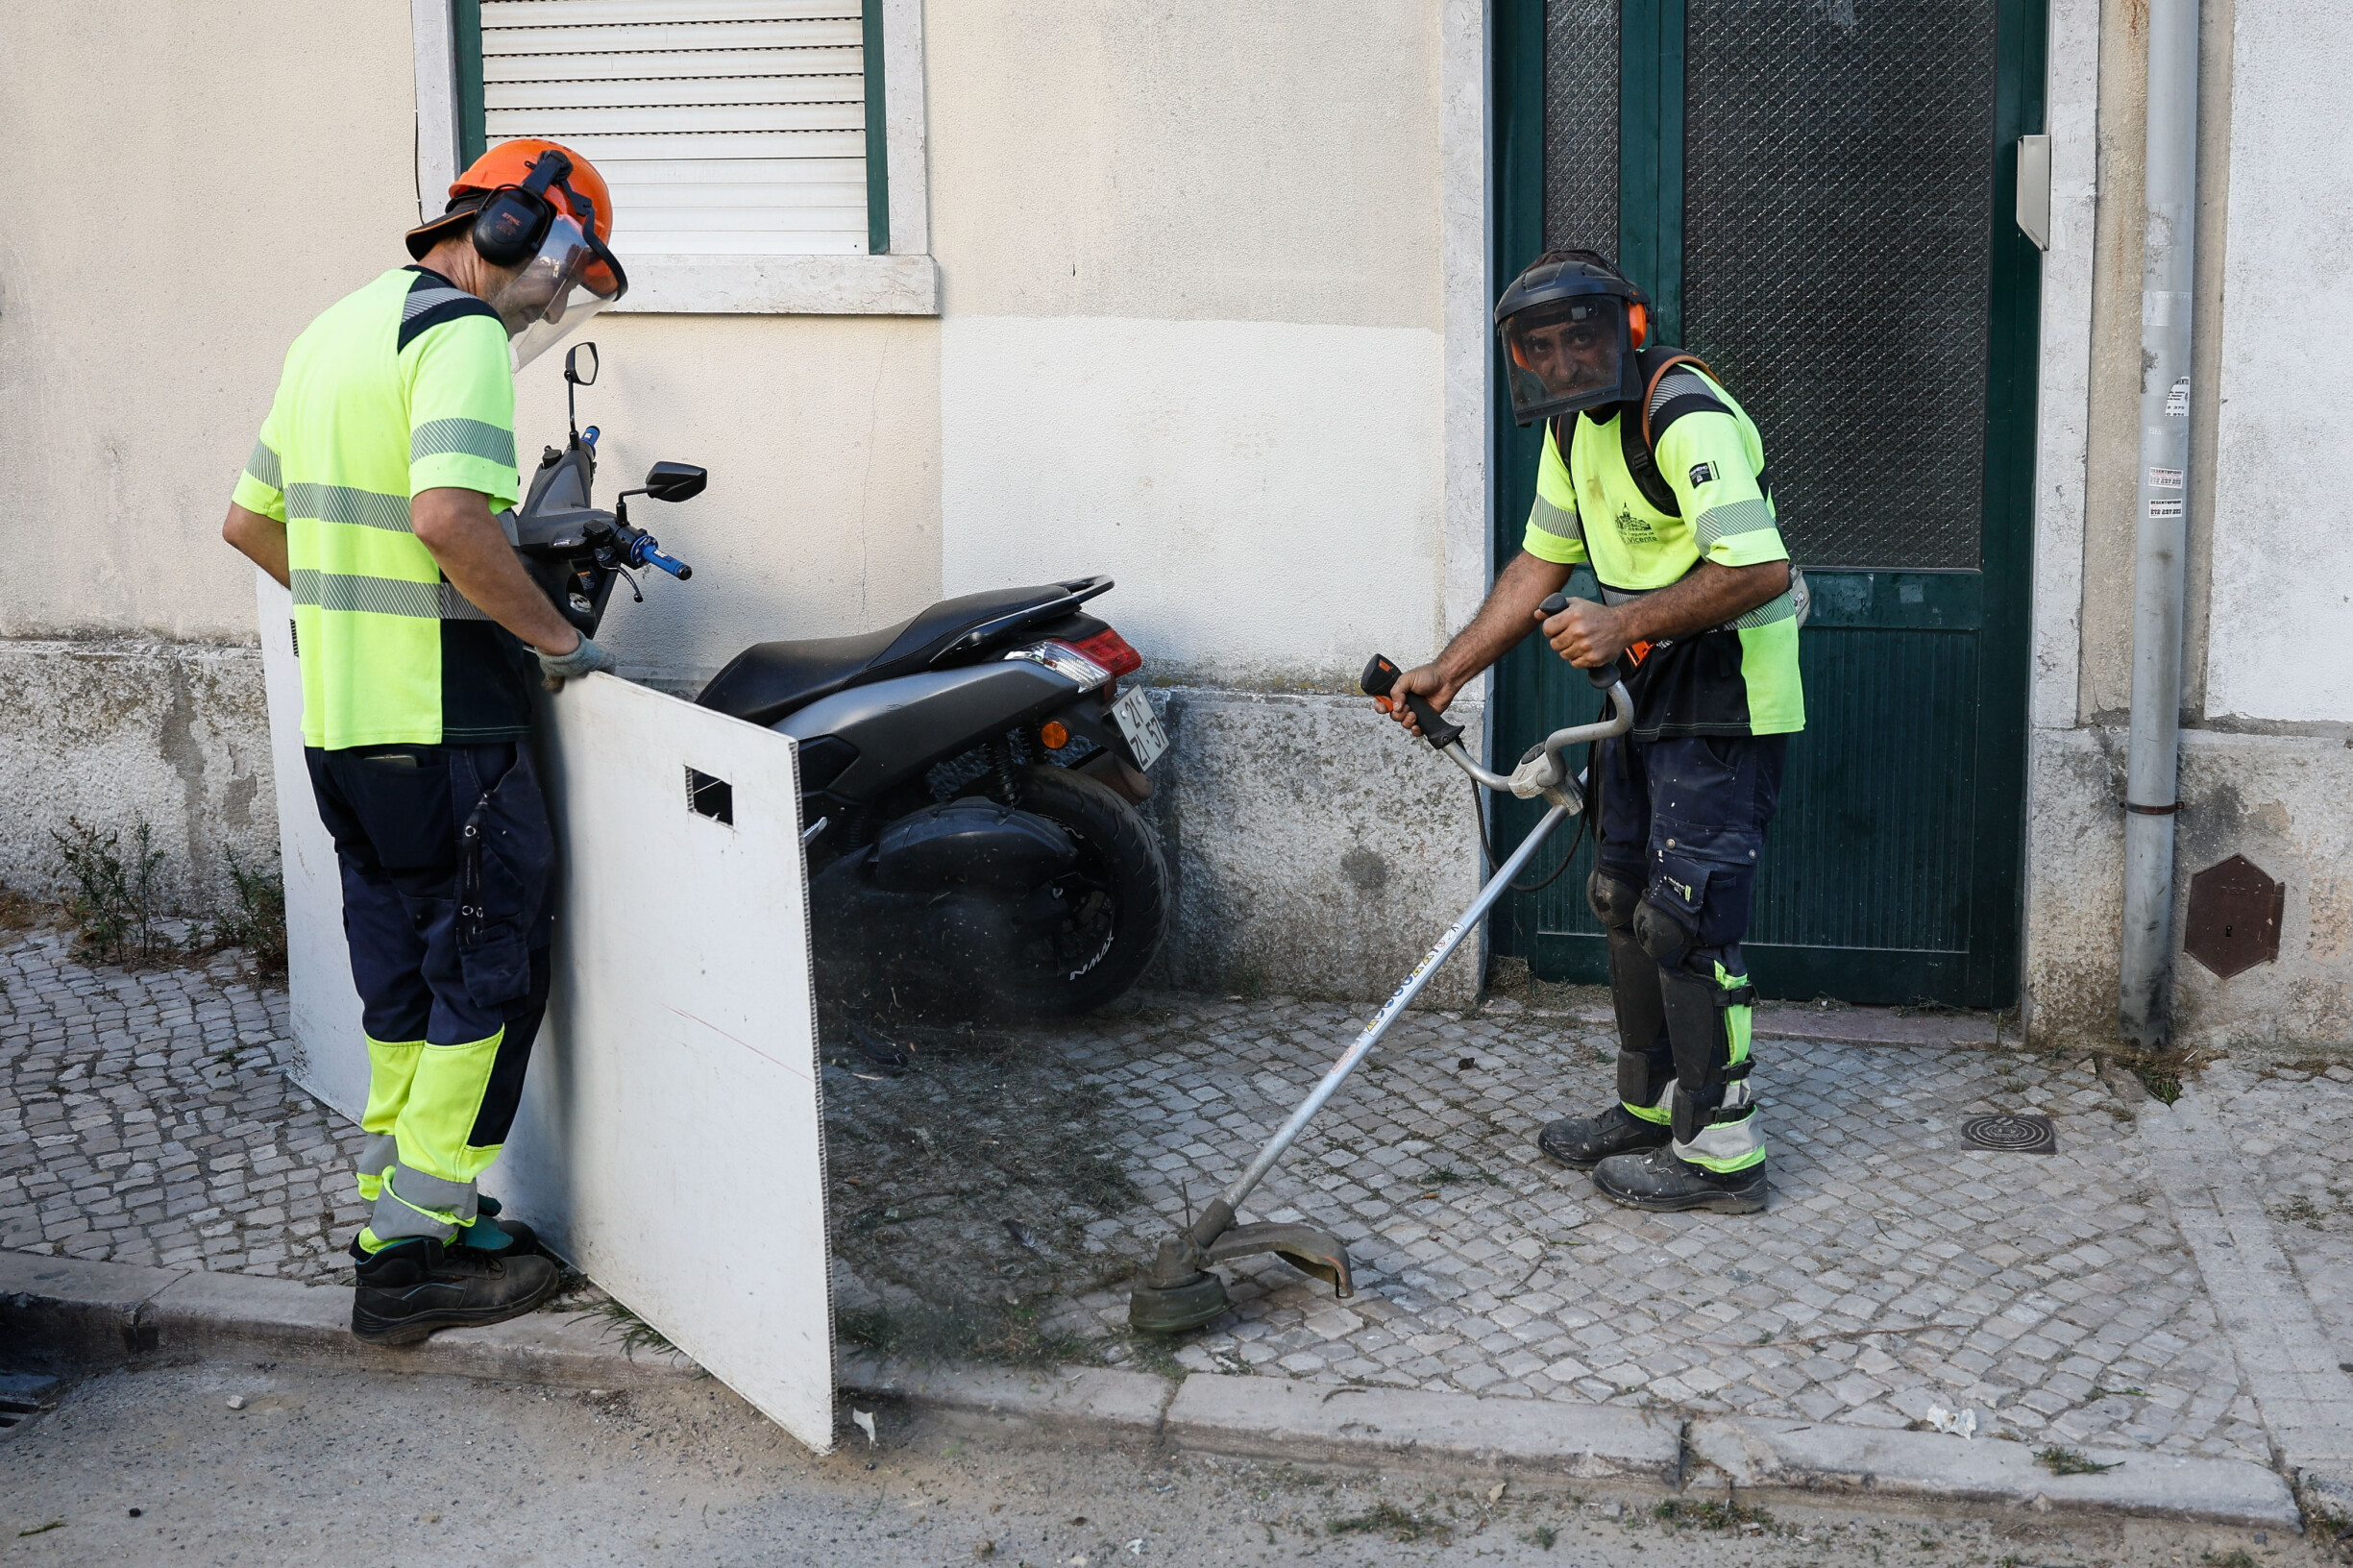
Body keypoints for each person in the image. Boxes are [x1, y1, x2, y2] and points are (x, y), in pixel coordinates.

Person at [220, 139, 628, 1341]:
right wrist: (555, 638)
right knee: (490, 974)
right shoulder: (456, 338)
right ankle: (409, 1262)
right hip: (446, 723)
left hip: (347, 727)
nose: (557, 297)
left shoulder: (332, 332)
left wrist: (357, 611)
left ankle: (400, 1207)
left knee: (400, 977)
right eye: (564, 267)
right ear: (513, 229)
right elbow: (450, 518)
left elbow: (249, 523)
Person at [1383, 250, 1804, 1214]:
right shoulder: (1571, 433)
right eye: (1544, 346)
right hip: (1643, 695)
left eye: (1583, 336)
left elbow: (1761, 569)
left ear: (1628, 328)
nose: (1567, 360)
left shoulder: (1681, 411)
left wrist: (1622, 623)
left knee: (1684, 919)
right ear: (1522, 362)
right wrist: (1445, 672)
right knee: (1622, 898)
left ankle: (1723, 1157)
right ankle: (1649, 1109)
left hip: (1726, 696)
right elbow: (1537, 564)